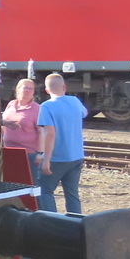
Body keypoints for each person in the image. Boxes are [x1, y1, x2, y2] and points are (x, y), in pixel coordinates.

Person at [36, 73, 88, 214]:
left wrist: (46, 160)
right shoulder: (75, 101)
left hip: (57, 158)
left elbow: (50, 134)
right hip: (76, 155)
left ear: (47, 90)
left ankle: (51, 222)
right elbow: (84, 112)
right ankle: (76, 221)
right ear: (64, 87)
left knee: (45, 191)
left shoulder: (46, 106)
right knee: (72, 193)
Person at [1, 78, 43, 184]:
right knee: (10, 183)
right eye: (25, 88)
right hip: (8, 151)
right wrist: (4, 122)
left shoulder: (37, 109)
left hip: (28, 154)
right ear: (17, 90)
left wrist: (40, 153)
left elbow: (41, 132)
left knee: (30, 185)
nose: (28, 91)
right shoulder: (11, 104)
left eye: (31, 89)